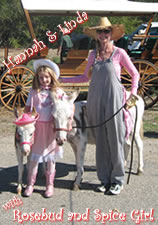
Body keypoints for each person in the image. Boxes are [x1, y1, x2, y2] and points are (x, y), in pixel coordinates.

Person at [60, 17, 140, 195]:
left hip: (114, 100)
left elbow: (135, 74)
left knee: (116, 140)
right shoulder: (92, 55)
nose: (103, 35)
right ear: (96, 35)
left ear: (112, 34)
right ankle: (104, 179)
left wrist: (132, 94)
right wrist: (62, 79)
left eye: (106, 32)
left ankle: (117, 180)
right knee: (101, 142)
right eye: (100, 32)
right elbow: (85, 78)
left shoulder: (119, 53)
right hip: (95, 99)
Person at [23, 59, 67, 198]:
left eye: (47, 77)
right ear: (37, 78)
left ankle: (49, 184)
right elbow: (28, 108)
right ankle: (30, 184)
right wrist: (25, 120)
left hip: (51, 129)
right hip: (37, 128)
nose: (44, 80)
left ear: (52, 77)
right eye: (41, 77)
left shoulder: (58, 92)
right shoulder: (33, 91)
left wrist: (67, 123)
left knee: (50, 158)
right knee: (34, 158)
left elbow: (67, 106)